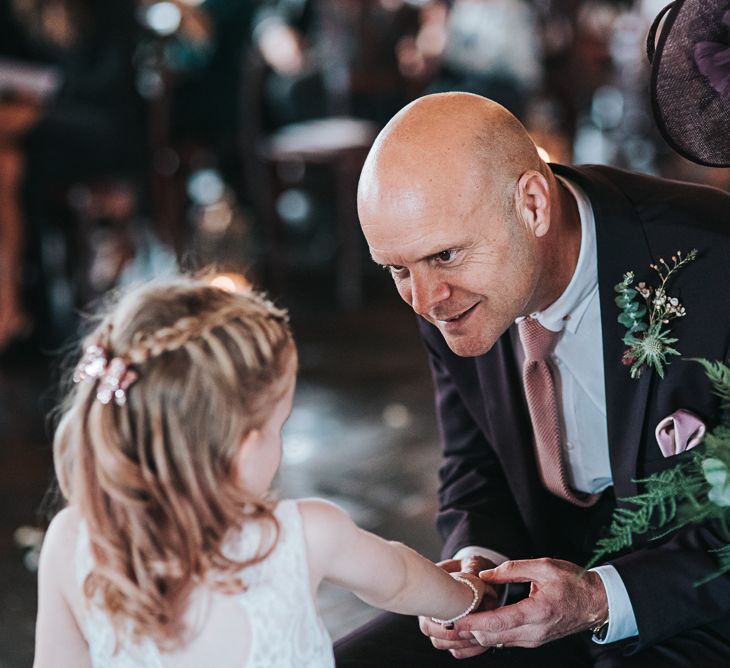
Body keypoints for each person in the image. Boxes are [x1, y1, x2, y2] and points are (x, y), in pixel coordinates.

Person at [335, 91, 730, 666]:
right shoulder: (446, 292)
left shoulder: (714, 264)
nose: (424, 301)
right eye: (398, 269)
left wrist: (599, 598)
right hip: (536, 600)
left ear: (533, 204)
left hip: (698, 602)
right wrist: (477, 565)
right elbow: (474, 463)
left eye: (445, 255)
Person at [32, 276, 494, 667]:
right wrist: (470, 597)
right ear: (243, 447)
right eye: (279, 426)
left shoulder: (70, 540)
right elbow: (402, 581)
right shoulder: (303, 534)